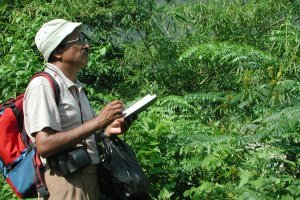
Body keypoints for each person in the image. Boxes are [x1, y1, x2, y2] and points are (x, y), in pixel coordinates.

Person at [23, 19, 127, 200]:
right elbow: (44, 145)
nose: (86, 46)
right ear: (57, 52)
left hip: (90, 179)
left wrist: (108, 130)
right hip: (65, 183)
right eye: (78, 41)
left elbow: (83, 135)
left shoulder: (75, 86)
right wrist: (98, 121)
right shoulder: (42, 85)